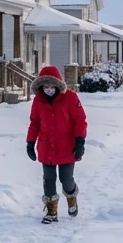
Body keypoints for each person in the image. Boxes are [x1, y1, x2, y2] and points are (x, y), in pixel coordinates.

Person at [25, 65, 88, 224]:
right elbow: (35, 123)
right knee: (49, 179)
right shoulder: (38, 101)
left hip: (67, 146)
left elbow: (80, 120)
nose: (49, 89)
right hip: (47, 146)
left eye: (52, 86)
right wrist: (30, 143)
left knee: (66, 179)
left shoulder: (70, 97)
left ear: (57, 85)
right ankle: (51, 212)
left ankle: (71, 196)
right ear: (41, 87)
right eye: (45, 86)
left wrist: (80, 141)